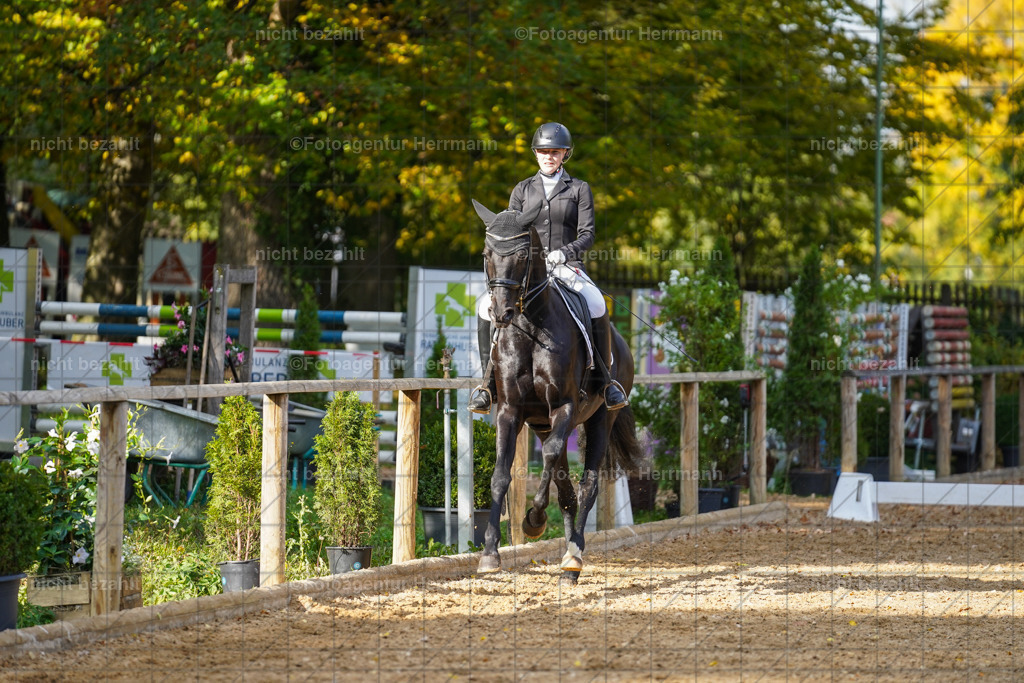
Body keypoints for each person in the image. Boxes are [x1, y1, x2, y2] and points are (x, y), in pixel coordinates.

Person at [470, 121, 628, 414]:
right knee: (484, 307)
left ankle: (606, 382)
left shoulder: (579, 189)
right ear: (536, 154)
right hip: (527, 271)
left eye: (555, 152)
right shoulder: (522, 189)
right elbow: (511, 230)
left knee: (595, 304)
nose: (549, 156)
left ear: (565, 154)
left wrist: (563, 254)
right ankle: (487, 385)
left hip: (566, 265)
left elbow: (588, 234)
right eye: (543, 151)